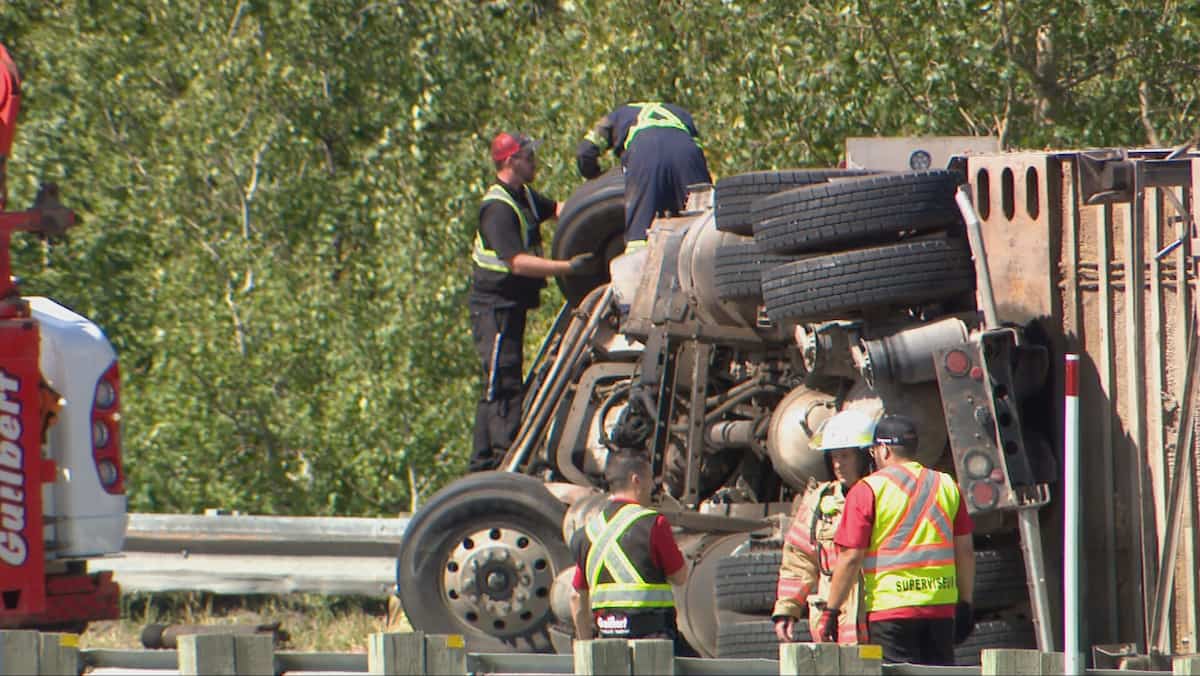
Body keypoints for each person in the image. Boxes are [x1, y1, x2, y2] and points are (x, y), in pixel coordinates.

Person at [469, 131, 594, 472]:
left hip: (512, 306)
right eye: (529, 157)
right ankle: (500, 459)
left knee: (500, 381)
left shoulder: (522, 195)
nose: (535, 162)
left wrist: (605, 206)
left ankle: (481, 464)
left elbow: (559, 210)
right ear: (511, 161)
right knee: (502, 381)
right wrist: (567, 267)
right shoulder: (497, 208)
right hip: (494, 309)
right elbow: (517, 262)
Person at [819, 413, 976, 665]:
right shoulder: (947, 485)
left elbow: (850, 557)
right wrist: (966, 603)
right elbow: (965, 551)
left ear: (884, 450)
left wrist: (832, 610)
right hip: (941, 609)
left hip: (890, 611)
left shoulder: (867, 490)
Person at [568, 450, 690, 653]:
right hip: (654, 642)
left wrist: (586, 644)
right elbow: (679, 577)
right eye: (651, 480)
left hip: (607, 640)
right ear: (636, 480)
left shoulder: (586, 533)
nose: (652, 487)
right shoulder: (654, 523)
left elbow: (576, 598)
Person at [772, 409, 875, 645]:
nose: (838, 464)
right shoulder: (819, 501)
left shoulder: (884, 496)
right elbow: (798, 558)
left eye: (846, 456)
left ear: (864, 456)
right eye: (833, 457)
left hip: (879, 627)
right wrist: (788, 609)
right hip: (832, 632)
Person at [575, 102, 712, 248]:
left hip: (645, 153)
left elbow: (585, 152)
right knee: (704, 224)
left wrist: (594, 176)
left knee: (640, 238)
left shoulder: (616, 116)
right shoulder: (681, 112)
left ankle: (636, 267)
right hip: (688, 153)